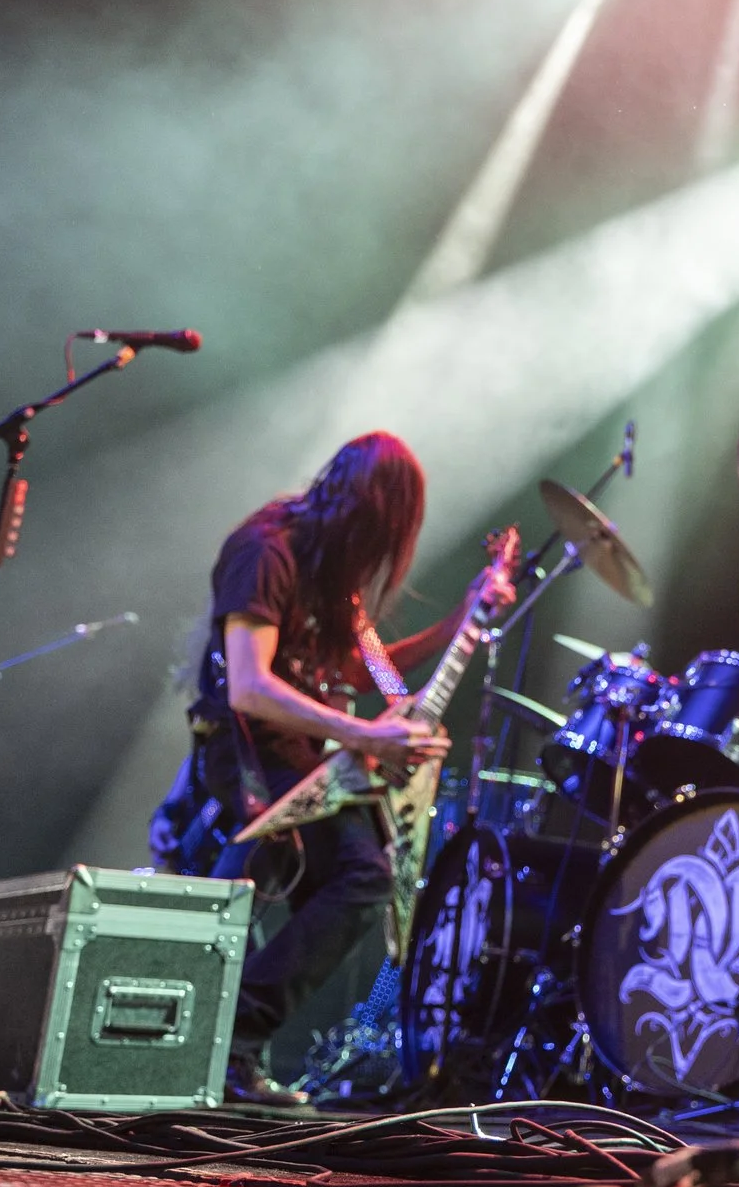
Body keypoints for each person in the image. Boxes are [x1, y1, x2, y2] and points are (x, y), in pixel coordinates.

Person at [183, 431, 508, 1106]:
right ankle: (231, 1041)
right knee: (358, 875)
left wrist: (460, 623)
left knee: (369, 878)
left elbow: (374, 671)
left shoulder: (335, 578)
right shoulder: (265, 550)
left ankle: (234, 1043)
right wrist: (365, 733)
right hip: (247, 747)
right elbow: (248, 686)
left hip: (310, 753)